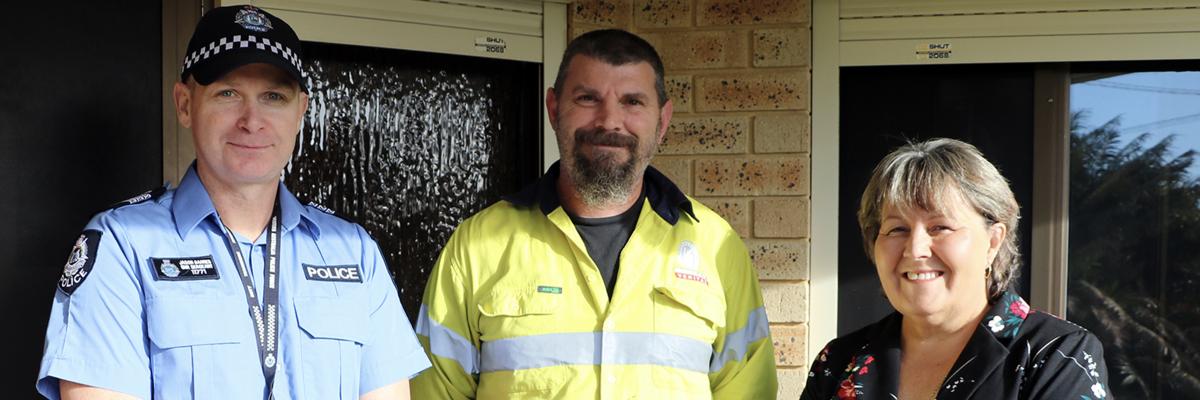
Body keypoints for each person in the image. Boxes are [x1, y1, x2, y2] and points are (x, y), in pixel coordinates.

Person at [35, 5, 429, 399]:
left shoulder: (353, 251)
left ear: (300, 113)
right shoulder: (124, 245)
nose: (252, 120)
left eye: (274, 96)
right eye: (228, 93)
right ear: (185, 104)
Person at [410, 29, 777, 399]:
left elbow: (749, 391)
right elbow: (433, 392)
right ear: (554, 109)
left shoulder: (716, 246)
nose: (609, 121)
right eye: (588, 98)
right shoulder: (477, 246)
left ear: (663, 120)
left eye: (633, 101)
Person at [800, 138, 1109, 399]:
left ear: (993, 241)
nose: (915, 249)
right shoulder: (839, 361)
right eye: (897, 230)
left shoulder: (1056, 355)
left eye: (941, 227)